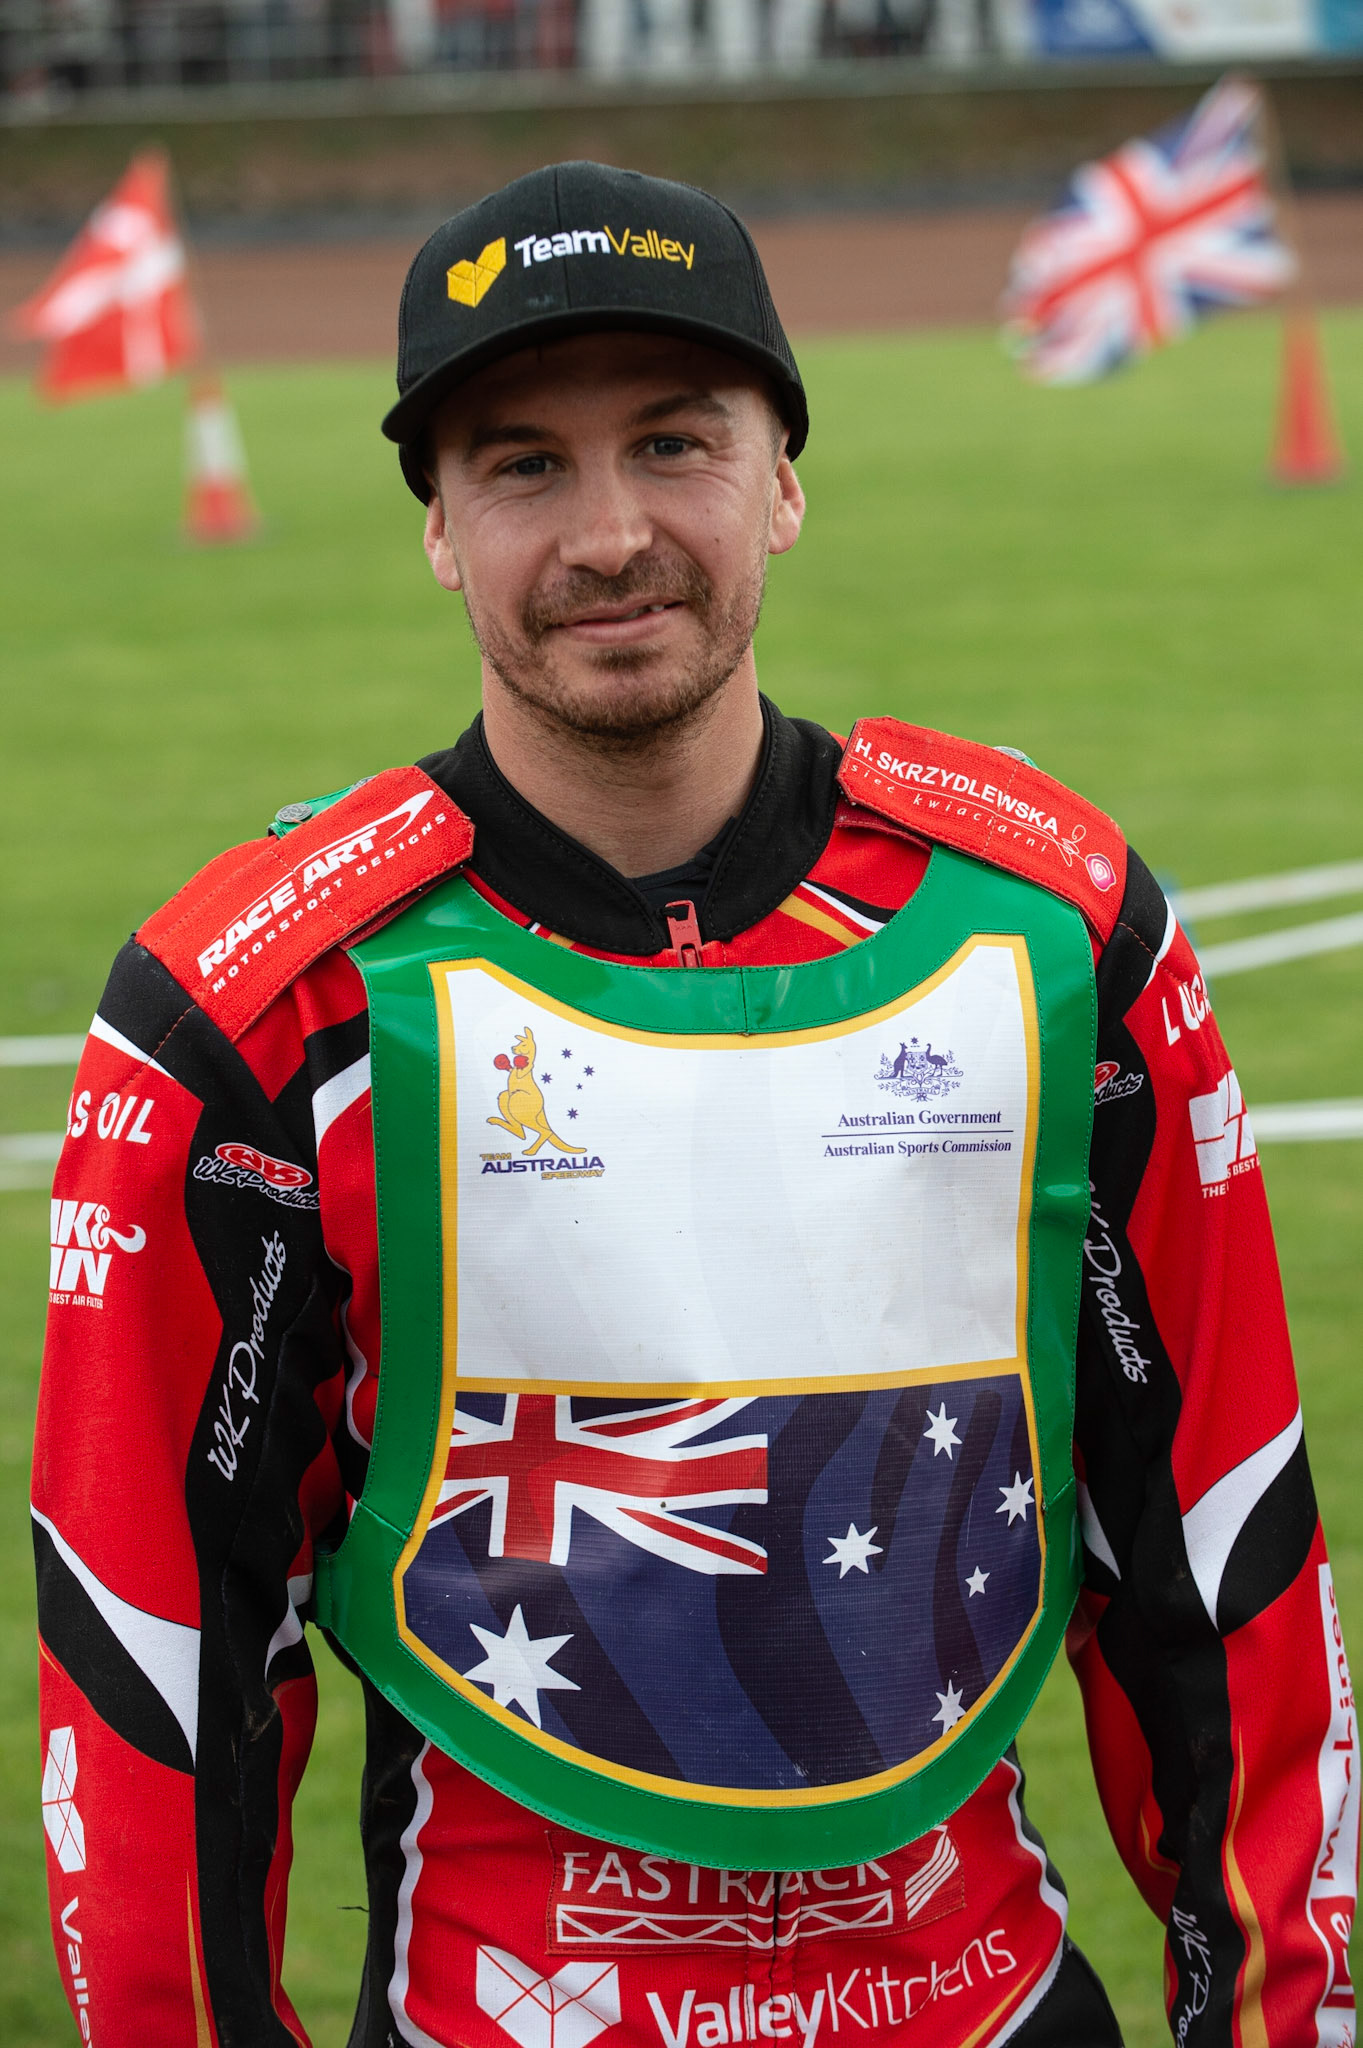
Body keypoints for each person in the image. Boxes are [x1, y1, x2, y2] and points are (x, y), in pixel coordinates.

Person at [33, 160, 1356, 2048]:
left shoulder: (1055, 935)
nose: (610, 534)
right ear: (437, 528)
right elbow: (159, 1673)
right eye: (524, 466)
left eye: (675, 441)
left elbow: (1221, 1560)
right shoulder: (264, 1013)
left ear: (783, 482)